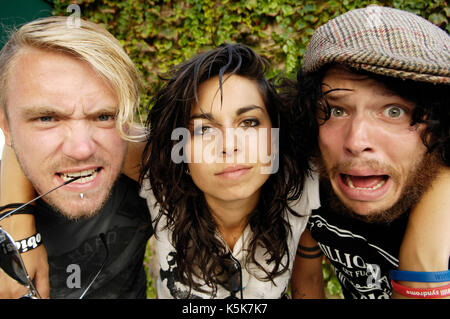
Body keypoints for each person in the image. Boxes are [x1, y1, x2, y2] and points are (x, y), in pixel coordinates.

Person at [289, 5, 450, 299]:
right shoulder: (312, 179)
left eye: (394, 111)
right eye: (337, 110)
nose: (356, 140)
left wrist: (424, 278)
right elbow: (307, 276)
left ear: (439, 128)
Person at [139, 43, 320, 298]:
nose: (229, 146)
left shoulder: (305, 186)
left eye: (248, 123)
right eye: (204, 129)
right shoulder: (157, 177)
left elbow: (309, 280)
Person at [0, 16, 153, 298]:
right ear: (6, 126)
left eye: (103, 116)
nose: (81, 149)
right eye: (47, 118)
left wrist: (16, 224)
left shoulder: (143, 165)